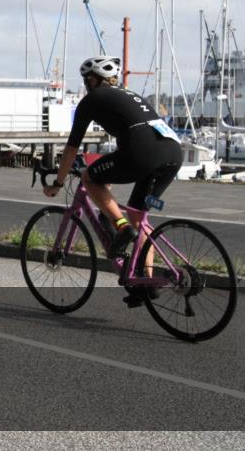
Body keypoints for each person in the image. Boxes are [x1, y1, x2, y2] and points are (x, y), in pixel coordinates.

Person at [43, 56, 182, 304]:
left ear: (92, 80)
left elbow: (72, 147)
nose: (86, 85)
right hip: (172, 152)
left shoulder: (91, 101)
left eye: (87, 81)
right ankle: (145, 282)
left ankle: (120, 227)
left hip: (143, 151)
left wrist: (58, 183)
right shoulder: (130, 96)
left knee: (89, 177)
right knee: (139, 216)